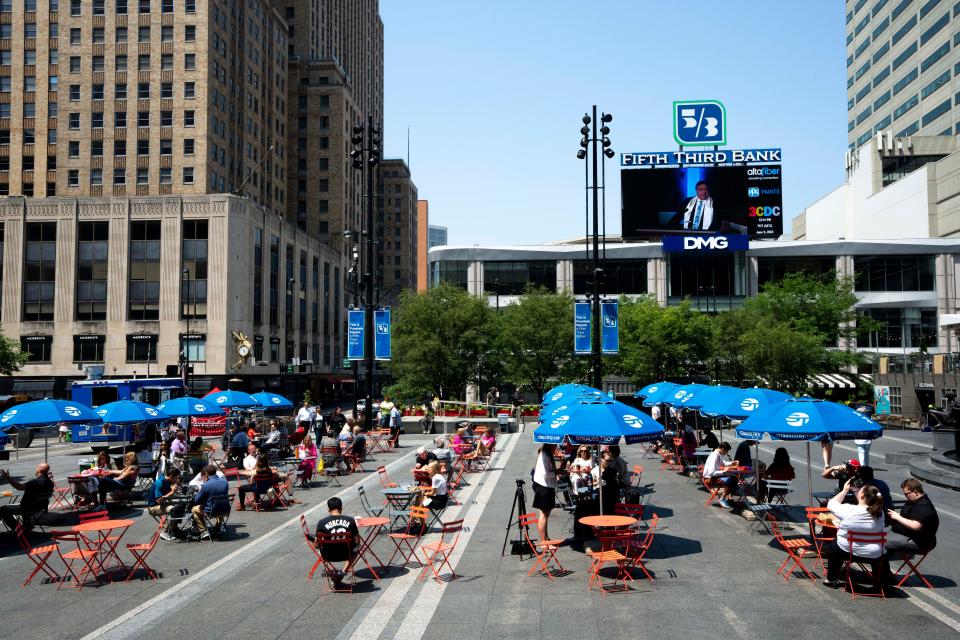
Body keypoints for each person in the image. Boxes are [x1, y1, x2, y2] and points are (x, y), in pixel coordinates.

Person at [823, 480, 885, 588]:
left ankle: (831, 579)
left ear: (861, 495)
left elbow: (831, 504)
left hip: (849, 552)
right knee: (884, 551)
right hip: (874, 554)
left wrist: (844, 491)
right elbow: (864, 504)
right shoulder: (880, 513)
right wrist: (858, 491)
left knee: (834, 545)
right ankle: (880, 581)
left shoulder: (848, 509)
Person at [884, 478, 939, 559]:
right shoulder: (913, 501)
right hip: (904, 534)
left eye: (907, 494)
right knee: (877, 535)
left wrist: (898, 517)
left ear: (915, 492)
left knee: (880, 544)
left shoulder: (924, 506)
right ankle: (882, 568)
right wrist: (895, 515)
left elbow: (916, 526)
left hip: (918, 542)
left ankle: (883, 570)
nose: (905, 496)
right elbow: (908, 516)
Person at [313, 496, 360, 585]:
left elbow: (316, 545)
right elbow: (357, 541)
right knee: (357, 548)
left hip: (328, 555)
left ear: (328, 509)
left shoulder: (322, 522)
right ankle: (343, 571)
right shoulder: (350, 520)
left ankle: (335, 574)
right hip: (346, 554)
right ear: (341, 508)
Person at [0, 463, 53, 531]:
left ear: (39, 470)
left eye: (37, 468)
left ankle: (19, 529)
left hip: (27, 508)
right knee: (28, 503)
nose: (35, 469)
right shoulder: (50, 483)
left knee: (3, 509)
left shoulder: (35, 482)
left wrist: (8, 478)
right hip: (39, 508)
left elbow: (19, 487)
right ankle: (27, 526)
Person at [191, 464, 230, 537]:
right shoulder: (225, 482)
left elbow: (197, 501)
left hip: (212, 511)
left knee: (194, 509)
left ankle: (203, 530)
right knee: (219, 504)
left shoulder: (206, 485)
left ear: (206, 474)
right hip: (226, 509)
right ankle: (218, 528)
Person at [532, 444, 558, 543]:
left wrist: (558, 471)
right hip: (544, 487)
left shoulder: (547, 454)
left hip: (547, 486)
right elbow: (546, 474)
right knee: (543, 514)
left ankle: (546, 538)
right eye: (555, 445)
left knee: (546, 514)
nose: (556, 446)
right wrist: (557, 472)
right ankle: (543, 541)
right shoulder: (545, 455)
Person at [147, 467, 182, 540]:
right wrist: (171, 492)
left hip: (162, 504)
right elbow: (159, 500)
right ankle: (166, 532)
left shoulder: (167, 481)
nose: (176, 480)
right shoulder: (160, 482)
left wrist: (174, 491)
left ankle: (174, 527)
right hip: (154, 507)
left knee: (181, 505)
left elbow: (168, 495)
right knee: (174, 509)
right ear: (171, 476)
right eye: (176, 478)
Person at [702, 442, 738, 509]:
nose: (726, 453)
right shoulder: (714, 456)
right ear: (722, 449)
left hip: (714, 477)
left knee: (734, 478)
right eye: (726, 451)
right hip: (709, 479)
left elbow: (723, 463)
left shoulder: (718, 454)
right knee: (731, 480)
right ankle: (723, 498)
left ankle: (724, 497)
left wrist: (732, 463)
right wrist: (723, 472)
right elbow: (711, 473)